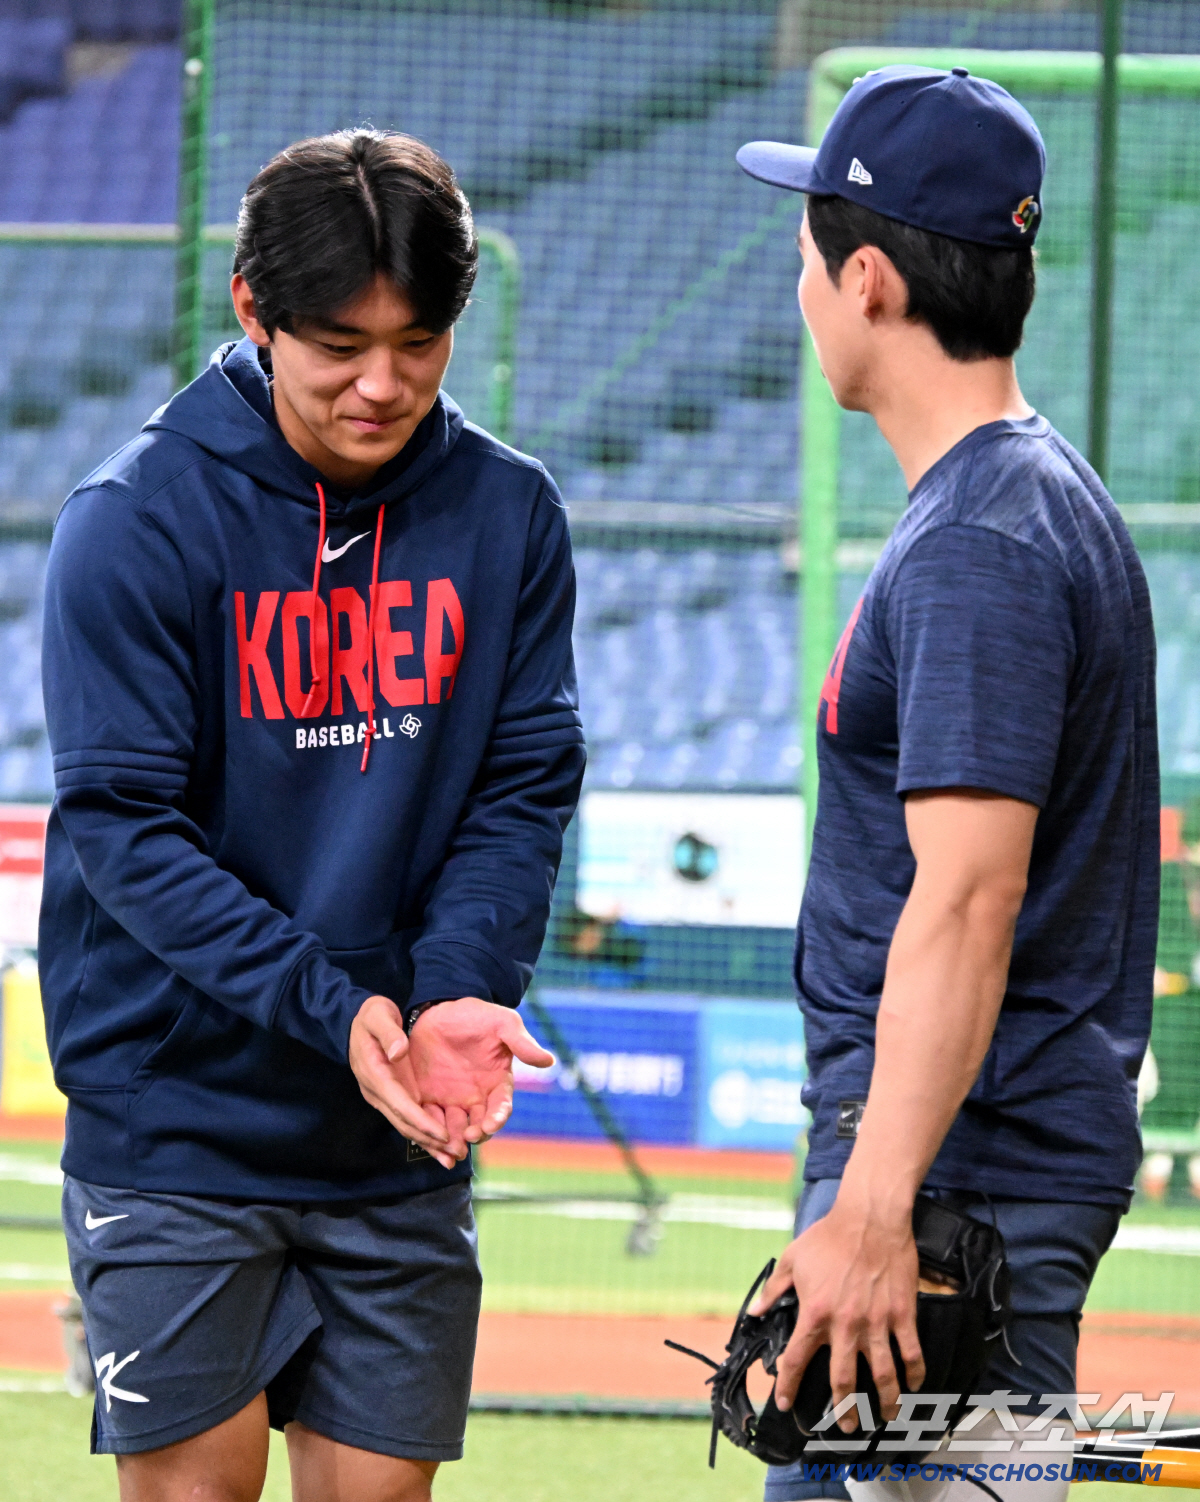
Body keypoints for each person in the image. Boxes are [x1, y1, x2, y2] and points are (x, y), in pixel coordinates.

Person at [40, 129, 585, 1502]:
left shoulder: (509, 514)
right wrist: (332, 1006)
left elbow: (520, 788)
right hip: (179, 1119)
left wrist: (460, 987)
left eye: (421, 341)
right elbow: (124, 829)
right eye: (340, 343)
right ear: (251, 309)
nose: (382, 383)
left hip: (395, 1129)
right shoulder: (137, 519)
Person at [736, 65, 1158, 1502]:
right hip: (942, 1167)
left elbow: (968, 900)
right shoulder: (1020, 500)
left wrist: (868, 1206)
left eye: (804, 248)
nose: (795, 282)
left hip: (952, 1181)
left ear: (866, 279)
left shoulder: (982, 533)